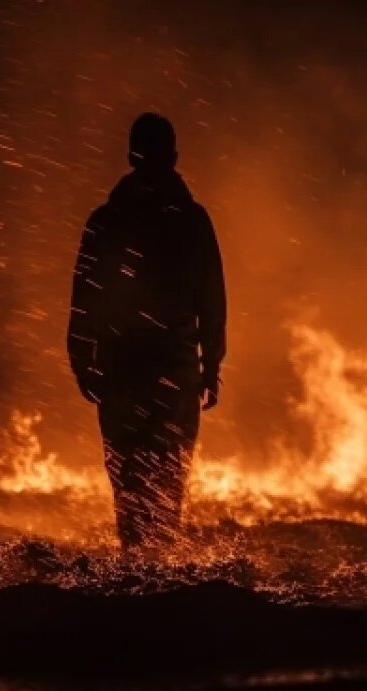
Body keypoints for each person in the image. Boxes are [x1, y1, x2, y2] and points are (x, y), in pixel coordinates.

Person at [67, 113, 226, 548]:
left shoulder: (105, 220)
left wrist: (83, 362)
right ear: (174, 156)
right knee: (168, 482)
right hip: (174, 371)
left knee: (129, 482)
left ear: (130, 156)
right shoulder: (192, 221)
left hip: (120, 370)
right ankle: (161, 584)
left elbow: (84, 298)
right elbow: (212, 300)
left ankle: (134, 577)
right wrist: (210, 364)